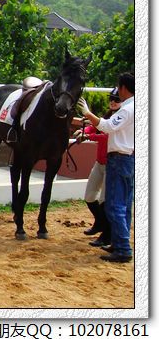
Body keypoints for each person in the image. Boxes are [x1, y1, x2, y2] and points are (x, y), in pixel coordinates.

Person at [78, 72, 135, 263]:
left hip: (119, 159)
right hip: (128, 159)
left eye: (119, 88)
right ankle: (119, 243)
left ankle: (123, 248)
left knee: (115, 205)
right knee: (125, 205)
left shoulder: (127, 110)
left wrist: (87, 113)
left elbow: (107, 126)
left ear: (124, 88)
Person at [73, 88, 121, 248]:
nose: (113, 102)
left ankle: (106, 235)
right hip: (99, 163)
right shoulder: (108, 116)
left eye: (117, 99)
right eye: (112, 99)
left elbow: (106, 136)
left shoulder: (120, 118)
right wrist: (84, 130)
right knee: (89, 196)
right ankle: (100, 223)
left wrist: (88, 136)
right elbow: (94, 126)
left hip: (111, 163)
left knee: (104, 201)